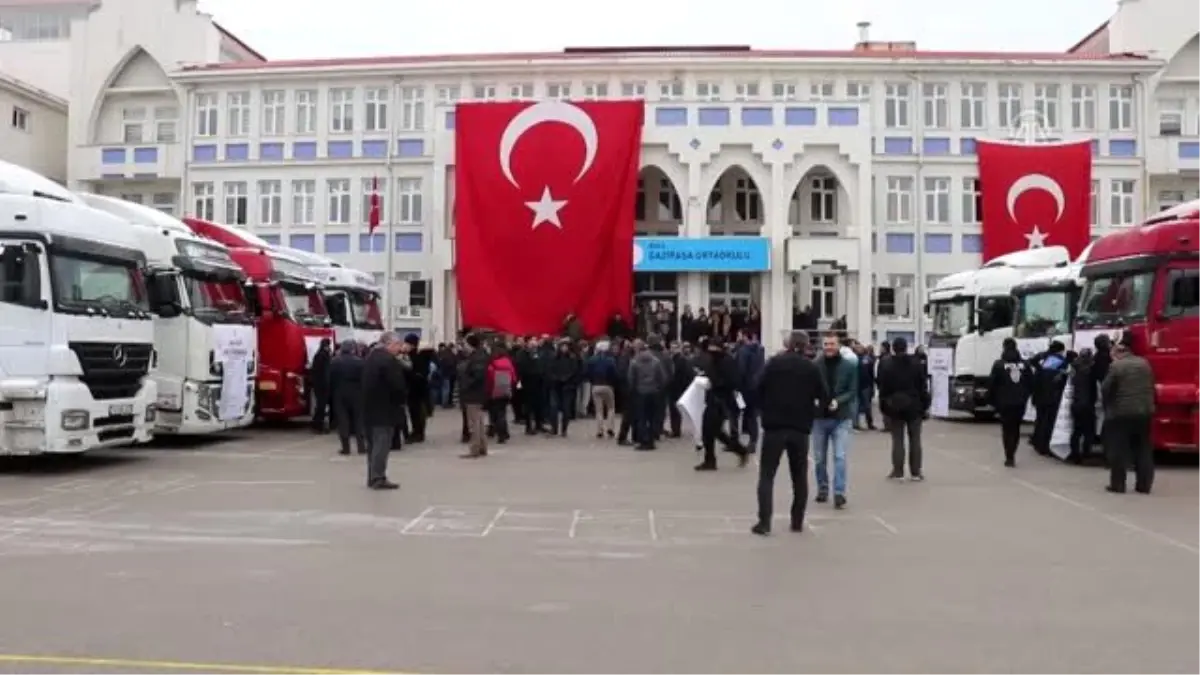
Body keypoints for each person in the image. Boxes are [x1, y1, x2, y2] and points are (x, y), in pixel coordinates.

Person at [751, 330, 829, 536]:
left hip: (774, 426)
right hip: (800, 428)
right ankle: (797, 520)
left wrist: (764, 410)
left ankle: (764, 522)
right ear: (806, 346)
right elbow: (824, 396)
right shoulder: (811, 368)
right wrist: (812, 413)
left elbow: (756, 388)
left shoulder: (774, 364)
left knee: (767, 475)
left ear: (787, 344)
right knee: (799, 476)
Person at [1101, 335, 1155, 494]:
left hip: (1122, 413)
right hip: (1144, 411)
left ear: (1118, 352)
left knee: (1119, 449)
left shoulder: (1116, 366)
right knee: (1143, 448)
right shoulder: (1145, 363)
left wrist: (1109, 406)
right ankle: (1144, 485)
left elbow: (1105, 389)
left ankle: (1118, 484)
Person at [812, 333, 858, 508]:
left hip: (841, 418)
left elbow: (852, 391)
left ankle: (839, 492)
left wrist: (838, 401)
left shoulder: (849, 366)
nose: (829, 347)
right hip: (819, 418)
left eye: (832, 344)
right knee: (819, 458)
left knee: (840, 456)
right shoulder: (815, 365)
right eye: (826, 344)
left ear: (839, 346)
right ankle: (822, 487)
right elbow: (810, 389)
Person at [876, 336, 929, 481]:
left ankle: (898, 471)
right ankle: (916, 472)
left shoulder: (887, 365)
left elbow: (882, 387)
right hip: (914, 405)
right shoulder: (916, 363)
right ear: (906, 348)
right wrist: (925, 406)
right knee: (915, 439)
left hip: (895, 406)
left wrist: (884, 405)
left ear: (893, 348)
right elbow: (923, 386)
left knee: (897, 439)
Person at [693, 338, 748, 471]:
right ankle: (733, 452)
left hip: (721, 401)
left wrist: (715, 383)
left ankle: (716, 458)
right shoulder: (713, 360)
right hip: (712, 399)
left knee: (711, 431)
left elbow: (732, 381)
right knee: (713, 431)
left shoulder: (727, 362)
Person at [360, 333, 406, 490]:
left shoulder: (370, 358)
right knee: (382, 444)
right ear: (389, 344)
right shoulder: (388, 361)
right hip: (385, 408)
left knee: (373, 445)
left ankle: (372, 476)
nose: (399, 348)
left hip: (369, 408)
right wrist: (401, 399)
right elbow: (397, 385)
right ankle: (378, 477)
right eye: (397, 345)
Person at [988, 337, 1033, 467]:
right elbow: (1031, 383)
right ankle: (1013, 451)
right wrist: (1025, 395)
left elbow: (992, 384)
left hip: (1004, 402)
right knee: (1016, 428)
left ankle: (1009, 456)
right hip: (1020, 402)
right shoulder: (1025, 365)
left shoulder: (998, 364)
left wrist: (992, 400)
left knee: (1006, 429)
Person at [627, 339, 668, 450]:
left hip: (640, 393)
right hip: (654, 393)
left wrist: (633, 390)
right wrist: (658, 388)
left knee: (641, 418)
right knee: (652, 418)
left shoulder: (634, 362)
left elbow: (631, 379)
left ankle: (643, 441)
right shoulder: (656, 362)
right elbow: (662, 378)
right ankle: (651, 440)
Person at [328, 339, 366, 456]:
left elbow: (330, 379)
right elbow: (364, 379)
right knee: (359, 419)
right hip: (357, 393)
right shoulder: (360, 362)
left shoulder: (334, 362)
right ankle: (361, 447)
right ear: (353, 349)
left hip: (339, 394)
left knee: (343, 420)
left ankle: (346, 447)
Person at [1030, 340, 1069, 455]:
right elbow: (1062, 379)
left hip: (1039, 395)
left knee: (1040, 420)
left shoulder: (1044, 359)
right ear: (1060, 350)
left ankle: (1037, 443)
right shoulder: (1061, 362)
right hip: (1052, 396)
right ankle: (1045, 447)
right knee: (1048, 422)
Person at [458, 333, 491, 458]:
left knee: (474, 423)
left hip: (474, 394)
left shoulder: (477, 358)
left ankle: (475, 449)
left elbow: (477, 376)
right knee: (479, 421)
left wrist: (465, 384)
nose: (464, 346)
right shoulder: (480, 356)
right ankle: (482, 446)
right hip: (478, 393)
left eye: (465, 344)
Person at [1068, 347, 1099, 463]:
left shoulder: (1074, 368)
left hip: (1076, 403)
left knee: (1076, 430)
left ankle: (1074, 453)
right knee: (1089, 431)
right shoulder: (1091, 370)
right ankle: (1086, 453)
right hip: (1088, 405)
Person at [546, 339, 581, 436]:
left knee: (566, 409)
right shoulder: (554, 358)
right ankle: (554, 428)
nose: (564, 348)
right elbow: (549, 370)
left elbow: (575, 371)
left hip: (567, 386)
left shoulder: (572, 358)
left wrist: (566, 378)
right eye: (562, 346)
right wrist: (556, 378)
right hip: (555, 386)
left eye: (566, 346)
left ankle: (564, 429)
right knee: (553, 407)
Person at [586, 341, 619, 438]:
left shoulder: (592, 360)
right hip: (607, 385)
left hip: (596, 385)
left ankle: (599, 430)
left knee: (598, 410)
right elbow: (615, 374)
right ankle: (610, 428)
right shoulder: (610, 360)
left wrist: (592, 381)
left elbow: (588, 372)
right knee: (611, 408)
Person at [485, 345, 517, 444]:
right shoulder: (508, 362)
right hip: (506, 389)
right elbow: (514, 377)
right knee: (502, 412)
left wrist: (488, 391)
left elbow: (489, 378)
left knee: (496, 413)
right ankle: (505, 432)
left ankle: (500, 434)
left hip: (494, 390)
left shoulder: (492, 364)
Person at [404, 334, 430, 443]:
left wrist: (408, 371)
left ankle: (418, 432)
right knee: (414, 412)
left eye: (406, 343)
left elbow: (419, 374)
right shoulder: (411, 356)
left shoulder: (417, 357)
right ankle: (417, 432)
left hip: (416, 390)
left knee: (417, 412)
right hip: (415, 389)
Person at [309, 338, 332, 433]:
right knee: (321, 405)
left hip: (317, 384)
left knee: (319, 405)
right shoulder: (325, 356)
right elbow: (326, 372)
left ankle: (316, 423)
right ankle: (318, 425)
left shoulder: (317, 355)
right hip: (323, 385)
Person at [855, 344, 877, 431]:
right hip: (856, 386)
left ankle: (870, 423)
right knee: (856, 406)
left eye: (860, 348)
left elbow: (871, 373)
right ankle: (856, 424)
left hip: (866, 386)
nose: (859, 349)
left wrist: (872, 386)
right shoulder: (853, 359)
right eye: (857, 348)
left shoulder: (867, 359)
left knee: (867, 406)